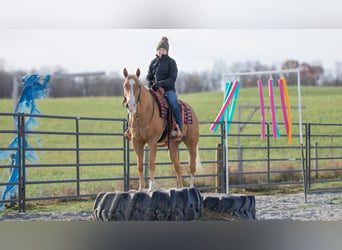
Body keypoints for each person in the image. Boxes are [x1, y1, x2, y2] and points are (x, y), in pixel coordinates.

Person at [146, 36, 182, 138]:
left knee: (174, 104)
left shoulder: (171, 62)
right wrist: (150, 84)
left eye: (163, 49)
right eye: (159, 49)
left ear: (167, 51)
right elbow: (148, 76)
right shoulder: (153, 63)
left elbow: (172, 78)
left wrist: (160, 84)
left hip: (168, 90)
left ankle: (178, 128)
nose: (161, 51)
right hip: (154, 90)